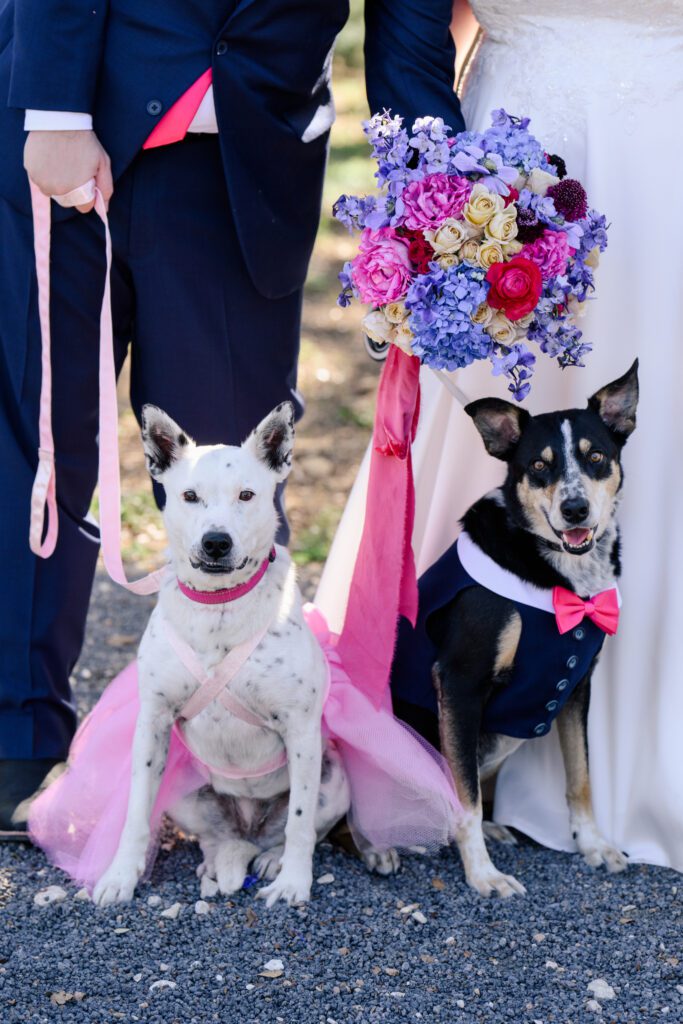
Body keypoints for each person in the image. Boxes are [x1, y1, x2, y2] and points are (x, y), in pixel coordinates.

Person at [0, 0, 465, 838]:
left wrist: (437, 201)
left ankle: (237, 752)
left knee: (228, 482)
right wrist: (55, 108)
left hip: (250, 155)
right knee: (41, 441)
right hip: (74, 127)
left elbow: (410, 29)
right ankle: (16, 733)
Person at [318, 0, 683, 871]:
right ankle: (454, 743)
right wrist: (437, 206)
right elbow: (407, 37)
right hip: (506, 169)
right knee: (507, 421)